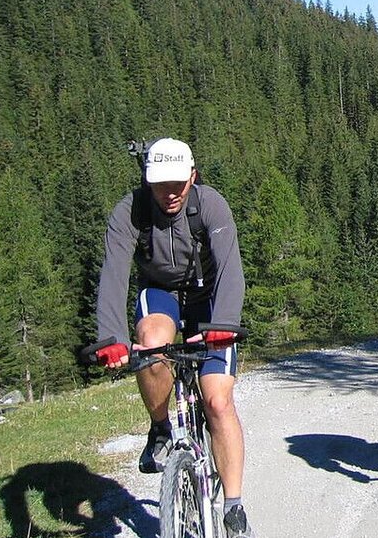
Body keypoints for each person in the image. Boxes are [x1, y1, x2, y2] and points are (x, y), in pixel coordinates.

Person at [93, 138, 254, 538]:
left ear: (192, 178)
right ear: (148, 182)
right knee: (149, 342)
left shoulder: (210, 205)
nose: (170, 193)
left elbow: (231, 268)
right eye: (160, 184)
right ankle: (162, 427)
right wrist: (111, 337)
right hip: (161, 295)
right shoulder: (129, 212)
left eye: (178, 184)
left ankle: (233, 507)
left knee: (218, 400)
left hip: (209, 300)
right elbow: (113, 274)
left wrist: (225, 323)